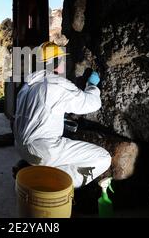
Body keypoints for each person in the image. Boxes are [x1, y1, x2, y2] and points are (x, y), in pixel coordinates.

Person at [13, 42, 111, 188]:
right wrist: (92, 86)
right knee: (103, 158)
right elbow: (91, 104)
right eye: (62, 59)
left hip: (21, 148)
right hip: (43, 150)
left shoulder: (27, 85)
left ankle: (31, 171)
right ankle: (55, 184)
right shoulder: (56, 84)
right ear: (56, 62)